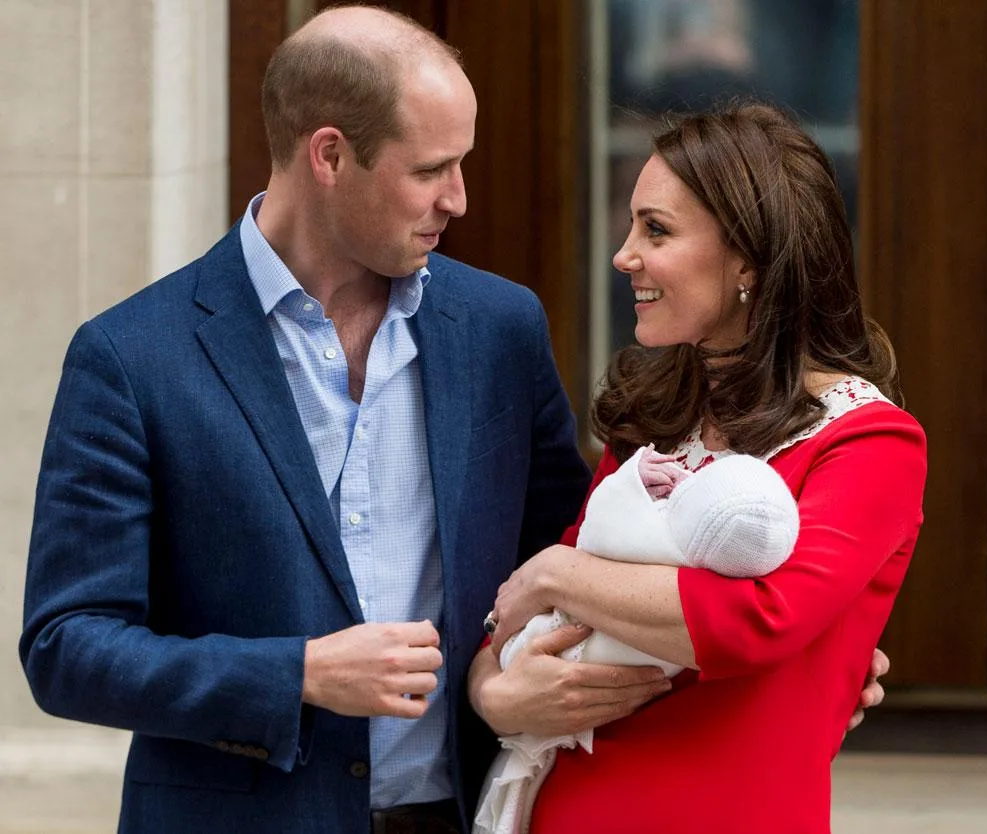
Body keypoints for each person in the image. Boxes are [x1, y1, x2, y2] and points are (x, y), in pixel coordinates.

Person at [18, 6, 621, 834]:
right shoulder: (130, 357)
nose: (458, 199)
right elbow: (67, 647)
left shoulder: (500, 329)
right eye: (431, 169)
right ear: (329, 155)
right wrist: (296, 674)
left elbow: (568, 557)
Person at [468, 101, 926, 834]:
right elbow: (526, 622)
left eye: (656, 230)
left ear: (749, 259)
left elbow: (762, 620)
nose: (624, 255)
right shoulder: (655, 419)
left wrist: (556, 573)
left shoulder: (870, 441)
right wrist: (492, 693)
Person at [474, 449, 800, 834]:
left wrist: (554, 571)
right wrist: (490, 695)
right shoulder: (647, 429)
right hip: (581, 776)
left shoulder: (659, 542)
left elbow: (599, 530)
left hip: (576, 678)